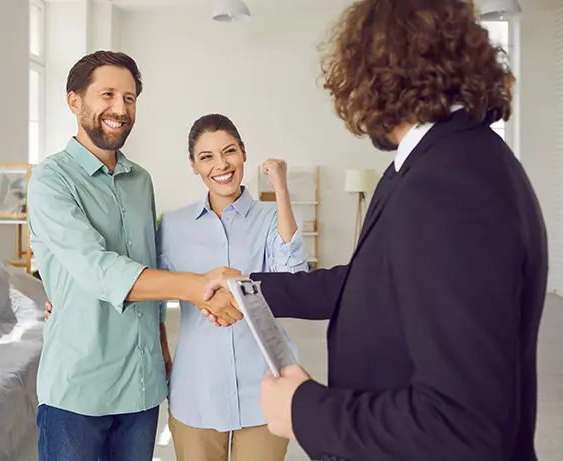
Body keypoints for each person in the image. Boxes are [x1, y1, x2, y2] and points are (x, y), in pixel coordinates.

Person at [202, 1, 548, 461]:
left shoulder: (451, 187)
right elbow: (369, 280)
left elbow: (464, 426)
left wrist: (304, 409)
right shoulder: (436, 164)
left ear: (374, 75)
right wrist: (250, 289)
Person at [27, 51, 241, 461]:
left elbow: (150, 260)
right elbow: (97, 269)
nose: (119, 109)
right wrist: (199, 287)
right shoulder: (50, 181)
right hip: (78, 389)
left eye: (129, 98)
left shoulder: (140, 180)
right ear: (75, 101)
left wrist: (161, 339)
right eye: (107, 95)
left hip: (141, 385)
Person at [158, 114, 308, 461]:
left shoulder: (271, 218)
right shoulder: (173, 226)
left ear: (243, 153)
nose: (221, 165)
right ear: (194, 165)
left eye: (229, 152)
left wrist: (281, 189)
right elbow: (152, 298)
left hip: (264, 387)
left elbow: (293, 274)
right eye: (206, 157)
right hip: (197, 388)